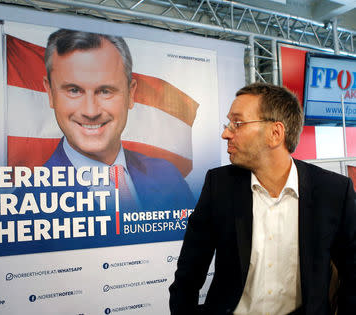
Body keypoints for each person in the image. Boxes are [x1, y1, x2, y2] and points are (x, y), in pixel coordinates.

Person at [169, 82, 356, 315]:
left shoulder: (334, 191)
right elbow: (188, 274)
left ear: (275, 133)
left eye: (237, 123)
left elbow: (353, 273)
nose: (225, 133)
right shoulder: (219, 186)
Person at [37, 29, 194, 211]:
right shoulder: (27, 202)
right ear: (50, 93)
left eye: (105, 91)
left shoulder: (169, 176)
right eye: (74, 90)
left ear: (131, 93)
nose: (90, 111)